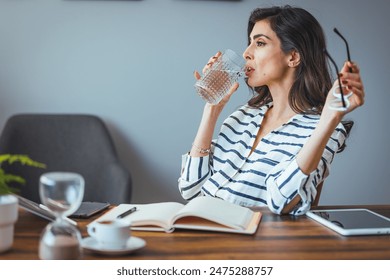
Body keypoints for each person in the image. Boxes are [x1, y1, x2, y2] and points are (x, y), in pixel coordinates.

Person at [178, 5, 365, 215]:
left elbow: (280, 203)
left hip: (251, 242)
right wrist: (212, 109)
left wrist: (329, 118)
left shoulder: (325, 127)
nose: (246, 53)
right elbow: (190, 188)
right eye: (249, 43)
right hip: (201, 228)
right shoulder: (243, 116)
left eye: (259, 43)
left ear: (293, 57)